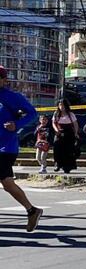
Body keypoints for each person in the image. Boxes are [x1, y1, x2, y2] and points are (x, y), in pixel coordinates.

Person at [0, 65, 43, 232]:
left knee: (7, 183)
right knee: (7, 184)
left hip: (6, 147)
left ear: (4, 80)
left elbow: (32, 113)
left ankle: (32, 210)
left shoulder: (12, 97)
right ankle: (32, 211)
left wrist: (16, 125)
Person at [51, 98, 80, 173]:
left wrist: (76, 133)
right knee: (57, 149)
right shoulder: (56, 114)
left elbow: (75, 124)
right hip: (59, 133)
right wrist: (56, 130)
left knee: (68, 150)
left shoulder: (71, 114)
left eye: (63, 105)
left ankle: (67, 167)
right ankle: (58, 164)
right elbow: (53, 123)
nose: (61, 107)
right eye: (60, 105)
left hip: (69, 133)